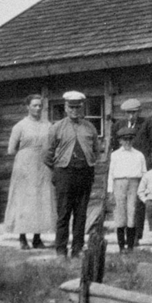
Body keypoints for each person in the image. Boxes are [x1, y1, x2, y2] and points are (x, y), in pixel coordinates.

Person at [44, 91, 100, 258]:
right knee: (64, 213)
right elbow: (47, 153)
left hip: (84, 173)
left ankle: (77, 249)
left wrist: (88, 164)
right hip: (64, 174)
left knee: (81, 214)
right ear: (66, 108)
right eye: (71, 107)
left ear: (82, 108)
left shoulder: (90, 127)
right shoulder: (57, 127)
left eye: (78, 107)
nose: (75, 111)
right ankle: (61, 250)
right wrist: (58, 170)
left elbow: (96, 150)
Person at [2, 94, 56, 250]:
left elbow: (52, 145)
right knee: (24, 201)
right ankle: (22, 238)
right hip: (25, 167)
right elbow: (11, 149)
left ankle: (37, 238)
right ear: (27, 107)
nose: (38, 108)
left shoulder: (48, 126)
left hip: (43, 166)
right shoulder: (20, 126)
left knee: (40, 199)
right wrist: (27, 154)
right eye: (34, 105)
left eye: (40, 105)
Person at [110, 98, 152, 251]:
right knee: (122, 206)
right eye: (128, 113)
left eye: (134, 113)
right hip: (123, 172)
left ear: (139, 112)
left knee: (137, 205)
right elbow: (114, 148)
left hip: (139, 171)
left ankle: (135, 237)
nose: (131, 116)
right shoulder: (118, 125)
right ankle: (124, 238)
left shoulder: (146, 123)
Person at [106, 126, 147, 252]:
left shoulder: (139, 155)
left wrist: (143, 189)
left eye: (130, 139)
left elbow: (144, 173)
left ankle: (130, 246)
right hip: (119, 183)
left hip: (134, 184)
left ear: (133, 140)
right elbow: (111, 174)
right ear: (120, 141)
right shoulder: (115, 155)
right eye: (125, 139)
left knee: (132, 212)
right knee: (120, 213)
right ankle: (121, 246)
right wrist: (110, 191)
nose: (128, 142)